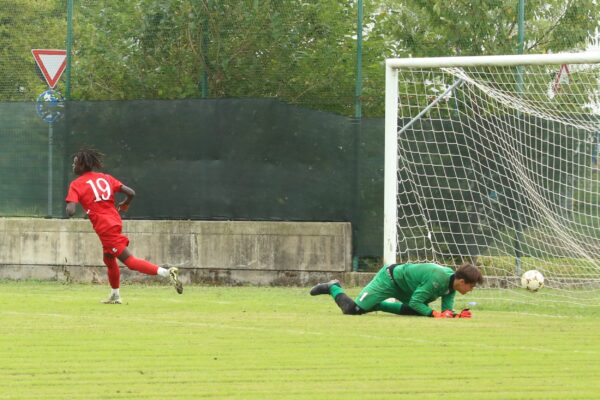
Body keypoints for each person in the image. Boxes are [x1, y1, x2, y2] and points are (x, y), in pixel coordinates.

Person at [65, 147, 183, 304]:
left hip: (104, 227)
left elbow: (71, 211)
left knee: (130, 261)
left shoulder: (76, 184)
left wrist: (70, 207)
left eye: (75, 163)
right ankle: (115, 295)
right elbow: (131, 192)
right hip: (114, 220)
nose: (73, 166)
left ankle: (167, 272)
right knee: (108, 259)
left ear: (82, 164)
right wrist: (125, 203)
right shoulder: (105, 177)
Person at [310, 262, 483, 318]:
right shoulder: (438, 279)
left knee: (416, 311)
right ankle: (333, 287)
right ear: (461, 281)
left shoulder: (451, 286)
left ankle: (377, 305)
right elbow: (417, 301)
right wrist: (434, 314)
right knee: (352, 310)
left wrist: (454, 315)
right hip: (389, 279)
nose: (471, 289)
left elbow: (446, 308)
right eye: (471, 285)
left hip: (405, 287)